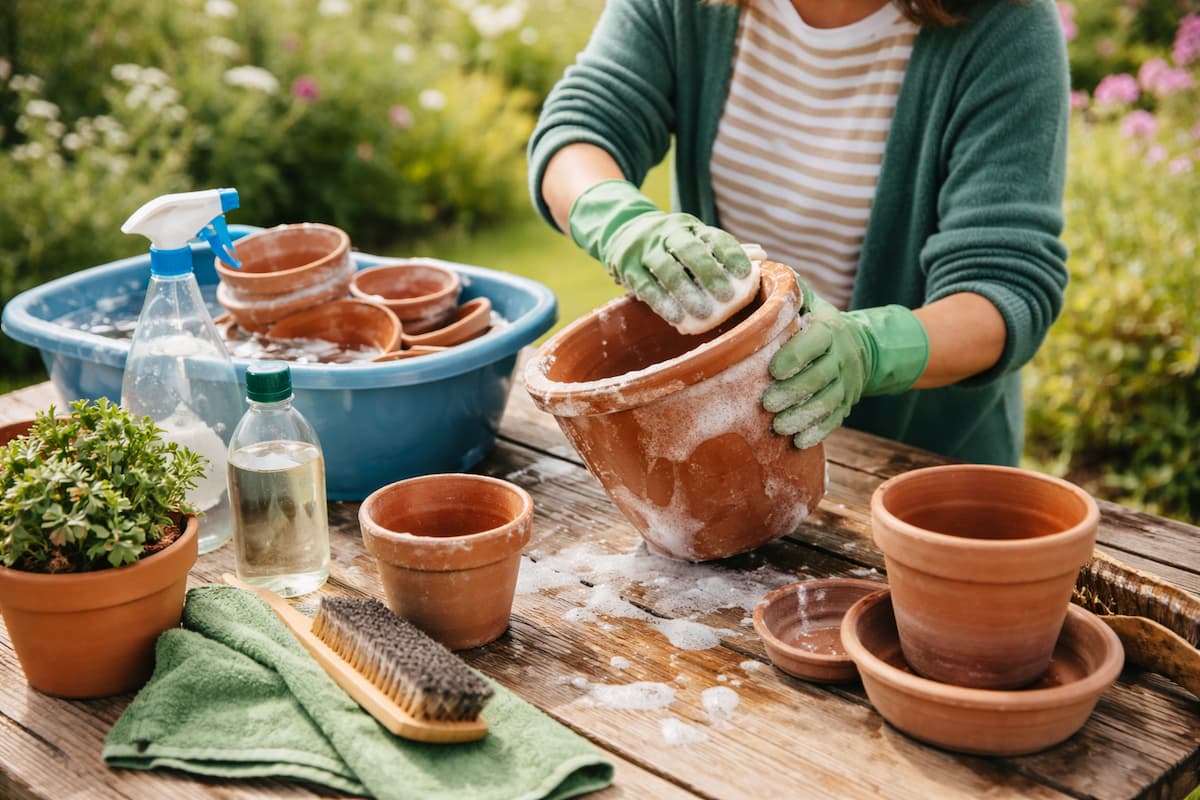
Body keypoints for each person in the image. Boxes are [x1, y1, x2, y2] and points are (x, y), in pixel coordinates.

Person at [527, 0, 1070, 466]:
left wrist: (870, 350)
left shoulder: (1005, 24)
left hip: (910, 467)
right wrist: (624, 224)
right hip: (718, 448)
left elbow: (1003, 294)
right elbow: (582, 128)